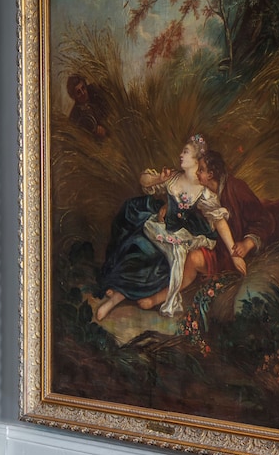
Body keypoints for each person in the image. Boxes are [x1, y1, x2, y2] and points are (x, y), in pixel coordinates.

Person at [94, 134, 244, 321]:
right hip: (161, 229)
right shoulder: (173, 178)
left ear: (196, 160)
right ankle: (120, 287)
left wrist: (234, 253)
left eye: (185, 152)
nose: (180, 155)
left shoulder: (204, 192)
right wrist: (159, 178)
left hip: (181, 237)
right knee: (138, 244)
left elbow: (219, 221)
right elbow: (144, 181)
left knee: (162, 261)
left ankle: (116, 299)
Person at [186, 150, 275, 280]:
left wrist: (247, 244)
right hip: (217, 249)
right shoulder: (202, 194)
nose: (197, 173)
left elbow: (264, 220)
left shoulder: (236, 188)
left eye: (201, 170)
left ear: (210, 174)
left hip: (236, 252)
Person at [66, 74, 108, 138]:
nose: (83, 93)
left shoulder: (97, 94)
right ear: (74, 96)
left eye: (83, 88)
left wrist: (105, 129)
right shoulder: (74, 116)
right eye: (78, 92)